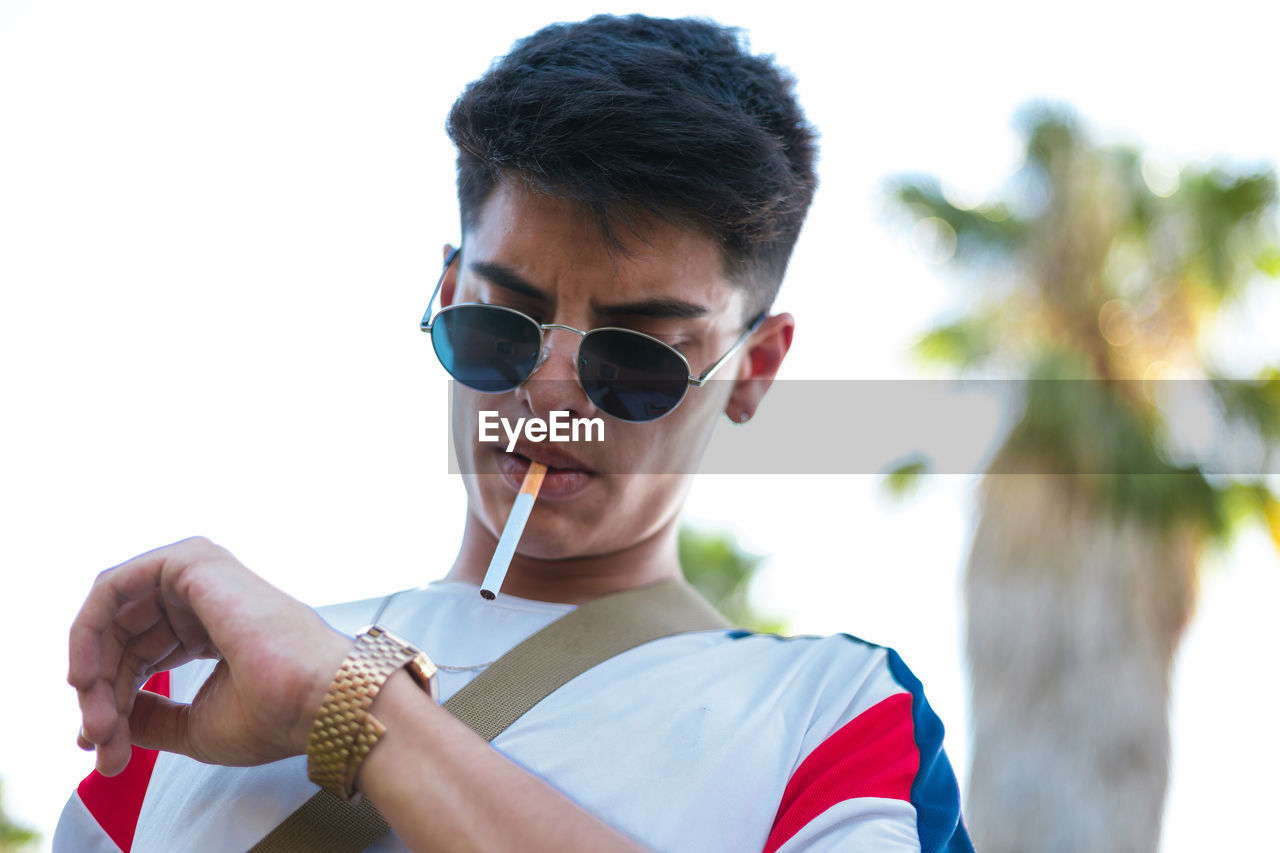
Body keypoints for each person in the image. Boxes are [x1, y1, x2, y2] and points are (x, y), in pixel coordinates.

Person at [57, 14, 973, 853]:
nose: (549, 395)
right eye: (503, 328)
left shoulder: (833, 717)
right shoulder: (190, 700)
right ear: (448, 296)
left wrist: (351, 705)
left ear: (754, 369)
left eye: (637, 357)